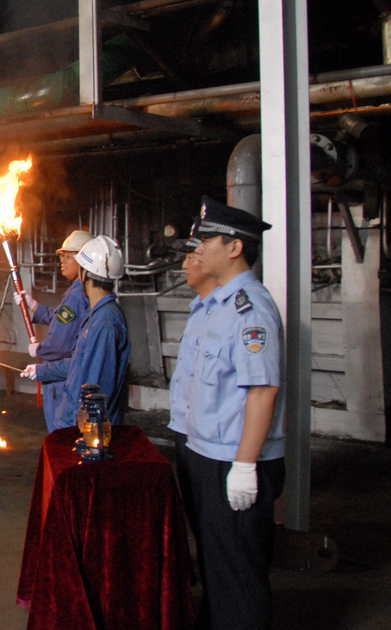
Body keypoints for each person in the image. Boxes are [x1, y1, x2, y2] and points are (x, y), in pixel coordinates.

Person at [180, 197, 284, 630]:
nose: (198, 249)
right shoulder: (217, 305)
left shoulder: (249, 309)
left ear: (235, 247)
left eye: (207, 240)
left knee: (238, 572)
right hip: (207, 452)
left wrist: (244, 466)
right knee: (218, 563)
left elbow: (263, 389)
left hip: (233, 460)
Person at [25, 235, 130, 428]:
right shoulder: (97, 314)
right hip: (77, 418)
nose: (63, 261)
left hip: (84, 425)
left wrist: (79, 427)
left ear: (85, 273)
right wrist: (42, 370)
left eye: (69, 257)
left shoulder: (104, 323)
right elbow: (78, 363)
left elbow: (95, 386)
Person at [165, 221, 218, 589]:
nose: (184, 264)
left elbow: (259, 390)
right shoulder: (200, 308)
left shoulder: (236, 311)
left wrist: (245, 463)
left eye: (192, 255)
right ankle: (211, 607)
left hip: (214, 446)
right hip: (188, 434)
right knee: (202, 530)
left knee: (222, 541)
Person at [17, 230, 93, 431]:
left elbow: (60, 344)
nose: (62, 261)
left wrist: (40, 349)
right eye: (62, 256)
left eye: (68, 256)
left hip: (62, 378)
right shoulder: (78, 291)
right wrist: (34, 306)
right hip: (67, 375)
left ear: (84, 261)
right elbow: (62, 320)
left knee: (61, 431)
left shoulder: (76, 296)